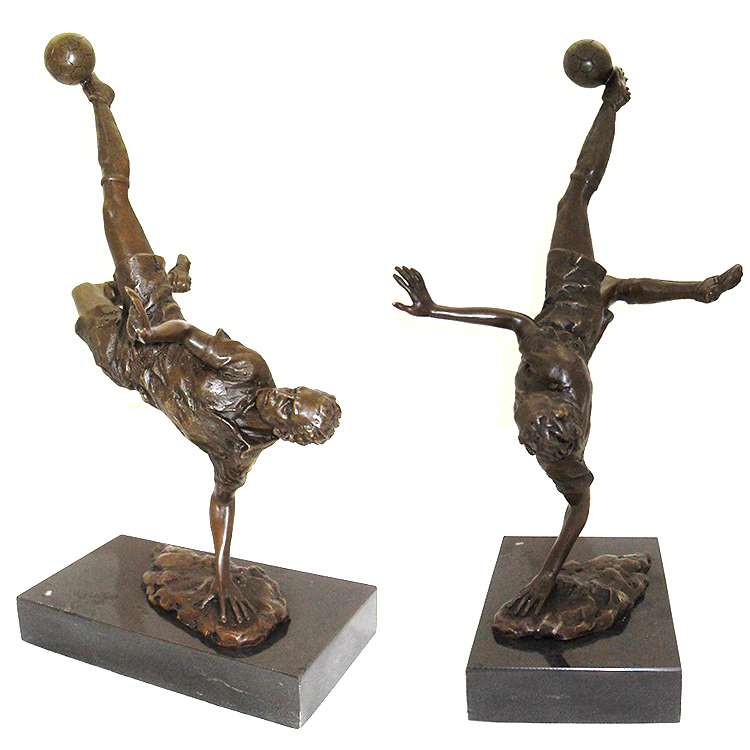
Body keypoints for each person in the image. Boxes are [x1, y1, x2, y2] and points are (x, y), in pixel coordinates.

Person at [393, 68, 742, 618]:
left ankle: (699, 288)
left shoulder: (560, 426)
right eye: (528, 431)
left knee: (611, 271)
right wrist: (433, 310)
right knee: (580, 204)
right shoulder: (554, 384)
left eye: (524, 430)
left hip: (581, 315)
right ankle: (614, 105)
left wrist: (548, 574)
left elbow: (579, 505)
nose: (521, 432)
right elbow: (514, 322)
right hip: (573, 296)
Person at [72, 74, 340, 625]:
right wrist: (153, 321)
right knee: (115, 194)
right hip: (154, 315)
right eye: (295, 391)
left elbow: (223, 503)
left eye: (290, 407)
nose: (282, 396)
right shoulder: (250, 369)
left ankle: (118, 294)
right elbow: (186, 333)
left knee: (83, 298)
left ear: (291, 434)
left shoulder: (237, 455)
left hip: (133, 369)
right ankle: (100, 99)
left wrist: (220, 576)